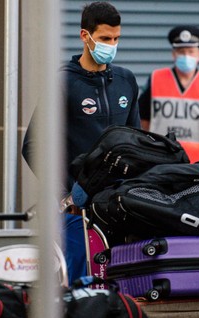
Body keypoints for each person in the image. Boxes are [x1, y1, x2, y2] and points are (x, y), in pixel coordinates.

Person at [21, 2, 140, 284]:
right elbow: (33, 145)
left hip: (119, 207)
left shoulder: (126, 81)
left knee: (118, 288)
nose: (111, 45)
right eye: (104, 39)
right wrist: (68, 192)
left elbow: (136, 143)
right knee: (76, 288)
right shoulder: (63, 83)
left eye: (116, 39)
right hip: (77, 213)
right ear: (85, 36)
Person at [138, 25, 199, 163]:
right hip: (160, 161)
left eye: (191, 51)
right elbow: (143, 119)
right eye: (181, 51)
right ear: (174, 54)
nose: (186, 56)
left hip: (197, 162)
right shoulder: (156, 78)